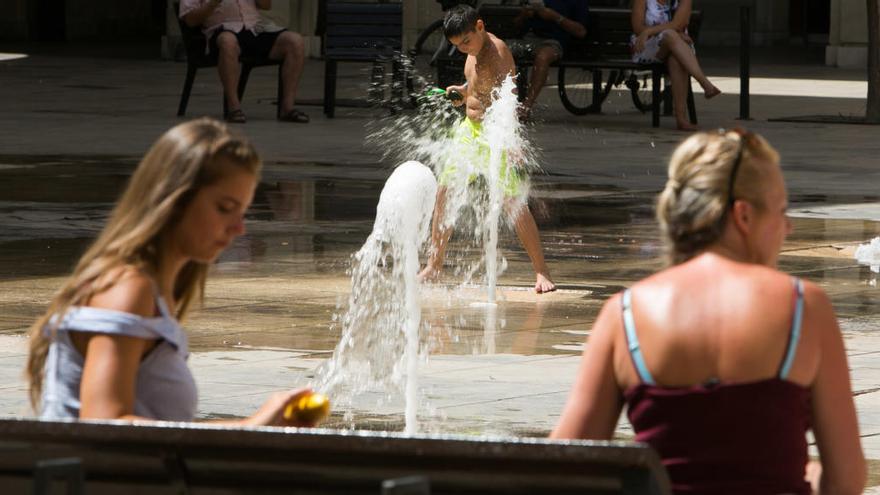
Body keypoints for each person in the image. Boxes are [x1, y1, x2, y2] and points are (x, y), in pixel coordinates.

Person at [551, 130, 865, 494]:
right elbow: (846, 479)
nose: (788, 227)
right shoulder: (803, 307)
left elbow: (566, 463)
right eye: (781, 212)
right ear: (743, 216)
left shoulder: (625, 314)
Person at [26, 118, 315, 426]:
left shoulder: (153, 288)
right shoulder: (127, 289)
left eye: (242, 212)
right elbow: (104, 423)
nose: (239, 228)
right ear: (174, 200)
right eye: (224, 208)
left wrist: (254, 427)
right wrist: (249, 427)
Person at [418, 5, 556, 294]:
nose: (462, 48)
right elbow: (477, 86)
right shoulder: (472, 51)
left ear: (479, 26)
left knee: (512, 203)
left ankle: (542, 272)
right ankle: (434, 265)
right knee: (445, 193)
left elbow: (509, 100)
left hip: (495, 132)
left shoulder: (498, 53)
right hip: (469, 131)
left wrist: (510, 143)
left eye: (465, 41)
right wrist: (462, 92)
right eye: (456, 46)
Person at [180, 0, 309, 124]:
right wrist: (214, 2)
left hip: (255, 28)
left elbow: (266, 5)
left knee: (295, 41)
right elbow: (190, 20)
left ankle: (287, 108)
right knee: (227, 42)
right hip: (223, 29)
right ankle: (234, 108)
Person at [630, 0, 720, 131]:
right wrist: (652, 33)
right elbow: (637, 27)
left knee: (675, 58)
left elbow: (677, 24)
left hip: (676, 46)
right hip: (648, 48)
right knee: (671, 35)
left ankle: (681, 120)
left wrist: (649, 31)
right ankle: (704, 82)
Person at [512, 0, 588, 120]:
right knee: (501, 51)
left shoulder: (577, 3)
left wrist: (556, 17)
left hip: (554, 41)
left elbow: (581, 31)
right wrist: (525, 14)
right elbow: (516, 24)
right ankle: (501, 98)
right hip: (527, 39)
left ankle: (526, 105)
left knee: (543, 57)